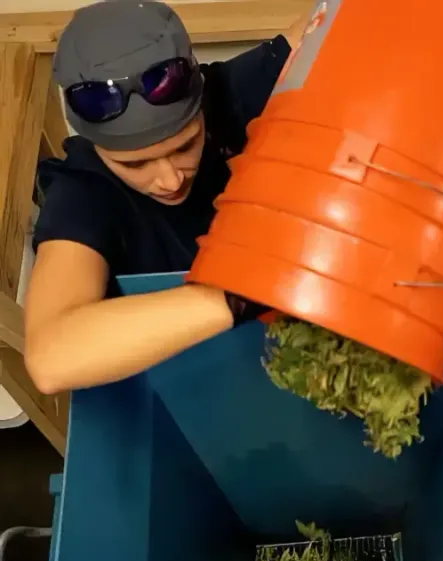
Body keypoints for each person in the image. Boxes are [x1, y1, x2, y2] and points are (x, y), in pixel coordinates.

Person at [24, 0, 308, 394]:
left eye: (185, 146)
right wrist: (240, 296)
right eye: (136, 165)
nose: (170, 179)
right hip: (180, 381)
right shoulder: (84, 192)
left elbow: (329, 25)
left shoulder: (222, 96)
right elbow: (50, 359)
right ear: (99, 149)